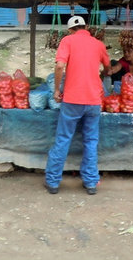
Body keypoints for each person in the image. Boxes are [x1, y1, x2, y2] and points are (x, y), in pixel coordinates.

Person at [44, 16, 111, 195]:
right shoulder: (98, 44)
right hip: (93, 101)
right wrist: (104, 74)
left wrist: (57, 90)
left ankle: (53, 182)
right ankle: (90, 183)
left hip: (72, 100)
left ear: (70, 29)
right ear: (85, 27)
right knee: (91, 141)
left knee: (63, 139)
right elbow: (108, 67)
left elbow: (59, 66)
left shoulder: (68, 41)